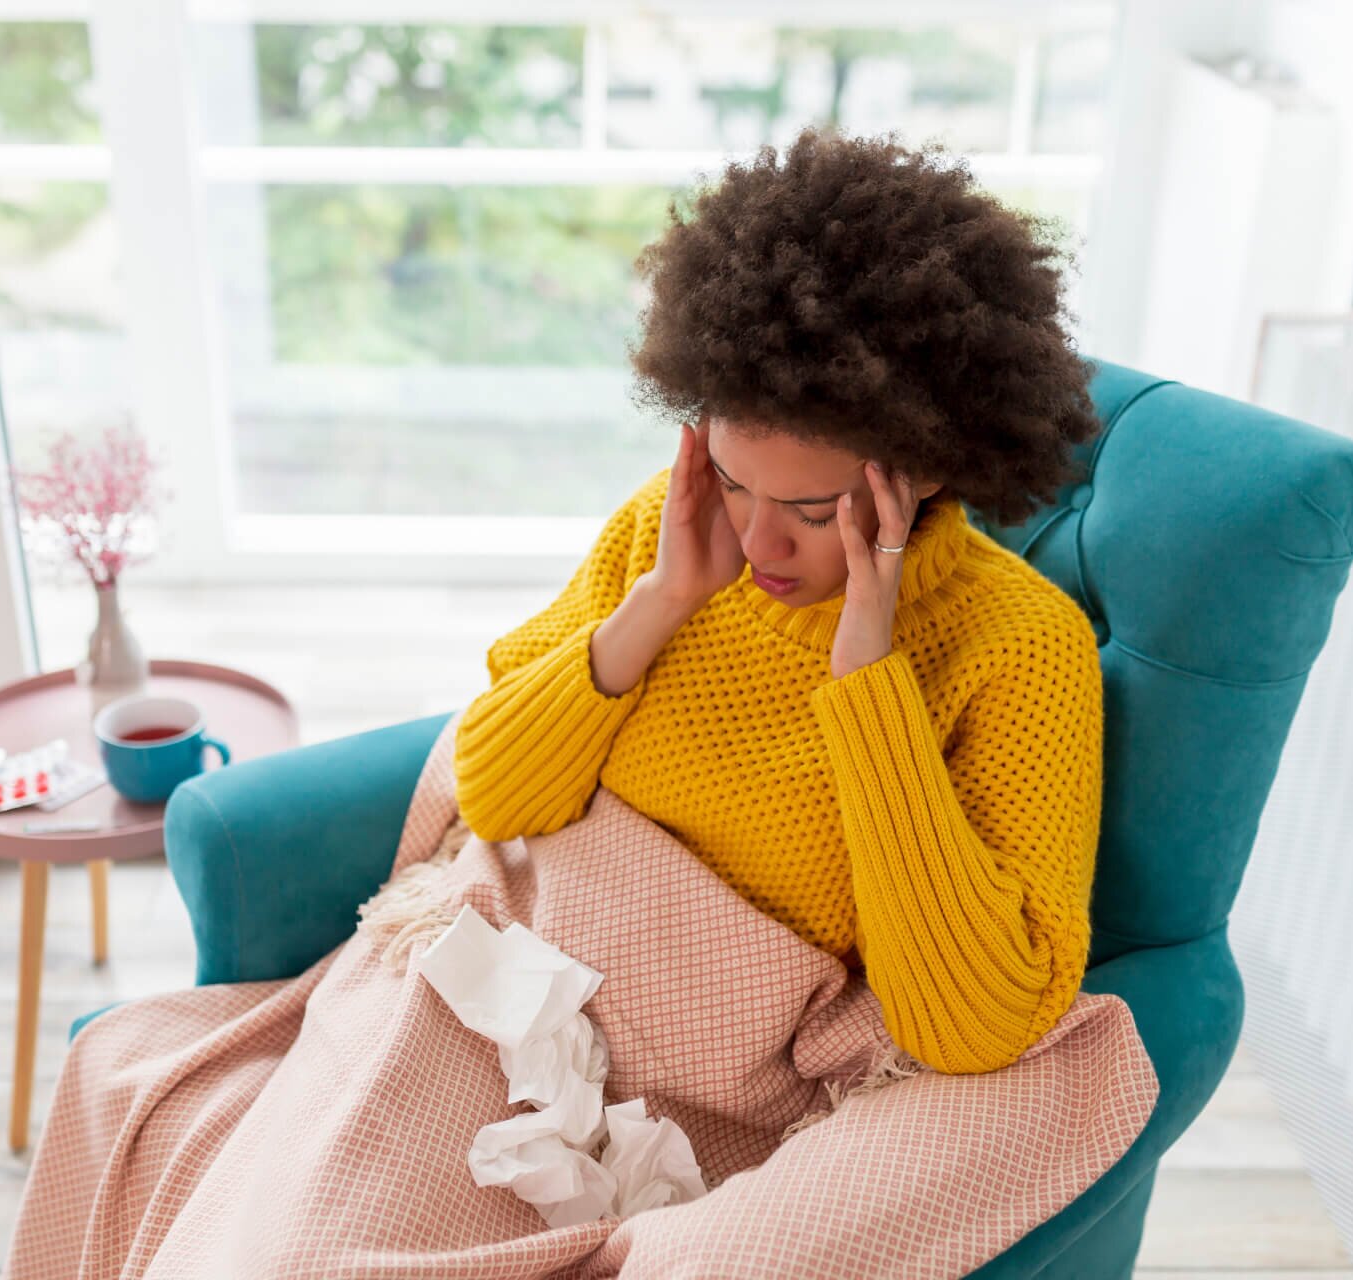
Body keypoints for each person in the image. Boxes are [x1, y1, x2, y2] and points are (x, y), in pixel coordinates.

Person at [452, 125, 1106, 1076]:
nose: (755, 543)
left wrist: (870, 688)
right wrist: (663, 598)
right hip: (527, 997)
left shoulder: (1022, 649)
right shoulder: (679, 528)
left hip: (728, 1083)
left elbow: (973, 1028)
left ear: (918, 473)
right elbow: (496, 797)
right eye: (733, 477)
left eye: (806, 508)